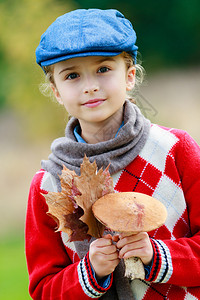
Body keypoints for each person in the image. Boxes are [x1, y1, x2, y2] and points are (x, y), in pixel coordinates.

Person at [25, 8, 200, 300]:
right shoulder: (48, 185)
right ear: (56, 92)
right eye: (72, 75)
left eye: (103, 69)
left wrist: (157, 255)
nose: (90, 86)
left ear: (130, 76)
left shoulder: (174, 149)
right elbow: (44, 289)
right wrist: (90, 270)